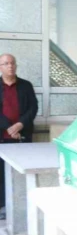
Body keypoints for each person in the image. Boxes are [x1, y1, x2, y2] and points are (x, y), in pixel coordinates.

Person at [0, 54, 39, 218]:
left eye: (12, 63)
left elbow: (33, 107)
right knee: (1, 174)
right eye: (6, 63)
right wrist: (9, 128)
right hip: (2, 137)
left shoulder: (25, 85)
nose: (10, 66)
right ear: (0, 67)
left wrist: (20, 125)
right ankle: (3, 206)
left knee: (22, 172)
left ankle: (22, 206)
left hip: (22, 136)